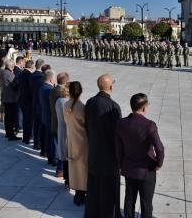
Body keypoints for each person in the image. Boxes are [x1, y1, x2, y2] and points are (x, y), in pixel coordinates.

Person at [116, 93, 164, 218]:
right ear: (144, 107)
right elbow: (160, 148)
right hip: (146, 170)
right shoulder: (149, 125)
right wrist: (159, 164)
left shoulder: (121, 123)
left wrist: (121, 164)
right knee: (146, 203)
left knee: (129, 200)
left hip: (129, 168)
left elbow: (118, 147)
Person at [84, 74, 122, 218]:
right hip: (109, 156)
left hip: (94, 151)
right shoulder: (113, 107)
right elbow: (117, 135)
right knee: (109, 189)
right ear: (111, 87)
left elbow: (87, 126)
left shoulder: (90, 102)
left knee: (94, 187)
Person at [63, 81, 88, 205]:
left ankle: (78, 195)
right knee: (83, 169)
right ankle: (82, 194)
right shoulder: (82, 107)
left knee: (74, 169)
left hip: (71, 140)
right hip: (82, 142)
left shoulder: (66, 105)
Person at [49, 72, 70, 177]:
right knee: (61, 148)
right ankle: (60, 169)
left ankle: (55, 163)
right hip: (59, 124)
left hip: (53, 121)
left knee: (56, 146)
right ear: (66, 81)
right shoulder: (61, 94)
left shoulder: (53, 89)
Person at [0, 59, 21, 141]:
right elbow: (15, 84)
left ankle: (8, 133)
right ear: (12, 66)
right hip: (11, 98)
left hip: (6, 97)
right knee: (11, 117)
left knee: (8, 117)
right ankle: (11, 134)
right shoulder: (9, 73)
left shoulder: (3, 72)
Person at [40, 69, 57, 166]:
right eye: (54, 78)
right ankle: (53, 159)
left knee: (48, 138)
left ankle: (50, 158)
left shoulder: (42, 86)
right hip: (50, 118)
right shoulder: (50, 90)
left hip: (45, 116)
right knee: (52, 140)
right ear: (51, 78)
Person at [18, 60, 35, 144]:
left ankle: (25, 137)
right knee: (30, 119)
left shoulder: (21, 74)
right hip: (29, 100)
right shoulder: (30, 75)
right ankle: (30, 136)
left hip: (22, 98)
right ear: (32, 66)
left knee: (25, 119)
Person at [30, 59, 45, 151]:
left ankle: (36, 143)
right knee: (40, 126)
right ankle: (39, 144)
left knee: (35, 125)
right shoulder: (41, 77)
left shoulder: (32, 75)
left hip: (33, 102)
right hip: (40, 104)